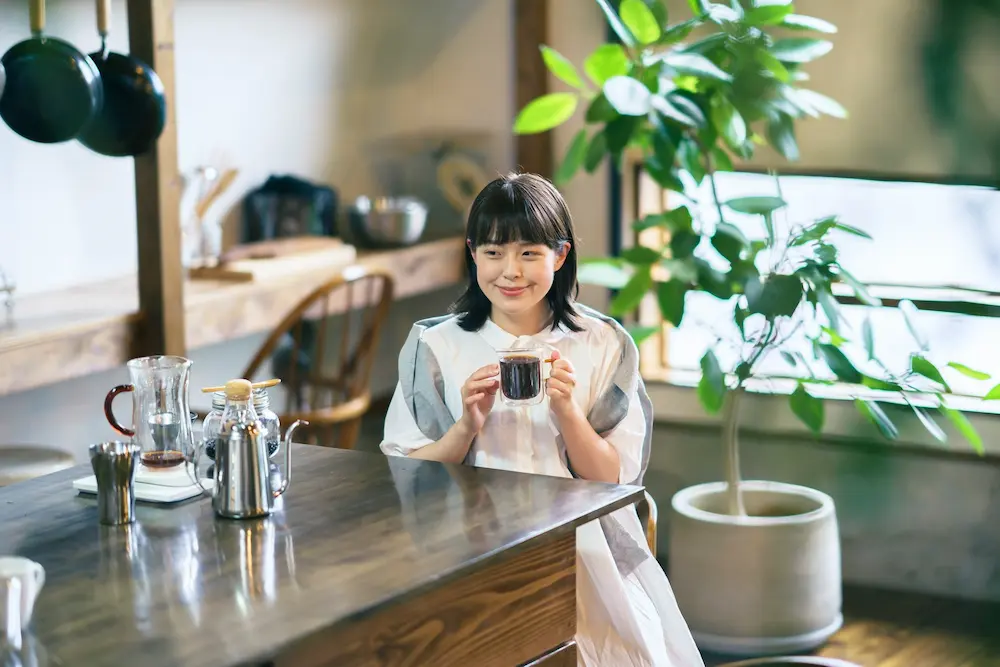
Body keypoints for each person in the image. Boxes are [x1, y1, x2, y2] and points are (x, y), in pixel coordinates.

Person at [379, 172, 705, 667]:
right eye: (493, 253)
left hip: (579, 547)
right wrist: (464, 427)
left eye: (529, 253)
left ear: (560, 254)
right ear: (472, 253)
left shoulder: (603, 343)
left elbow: (613, 478)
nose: (510, 271)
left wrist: (568, 412)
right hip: (465, 550)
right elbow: (404, 473)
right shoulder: (435, 347)